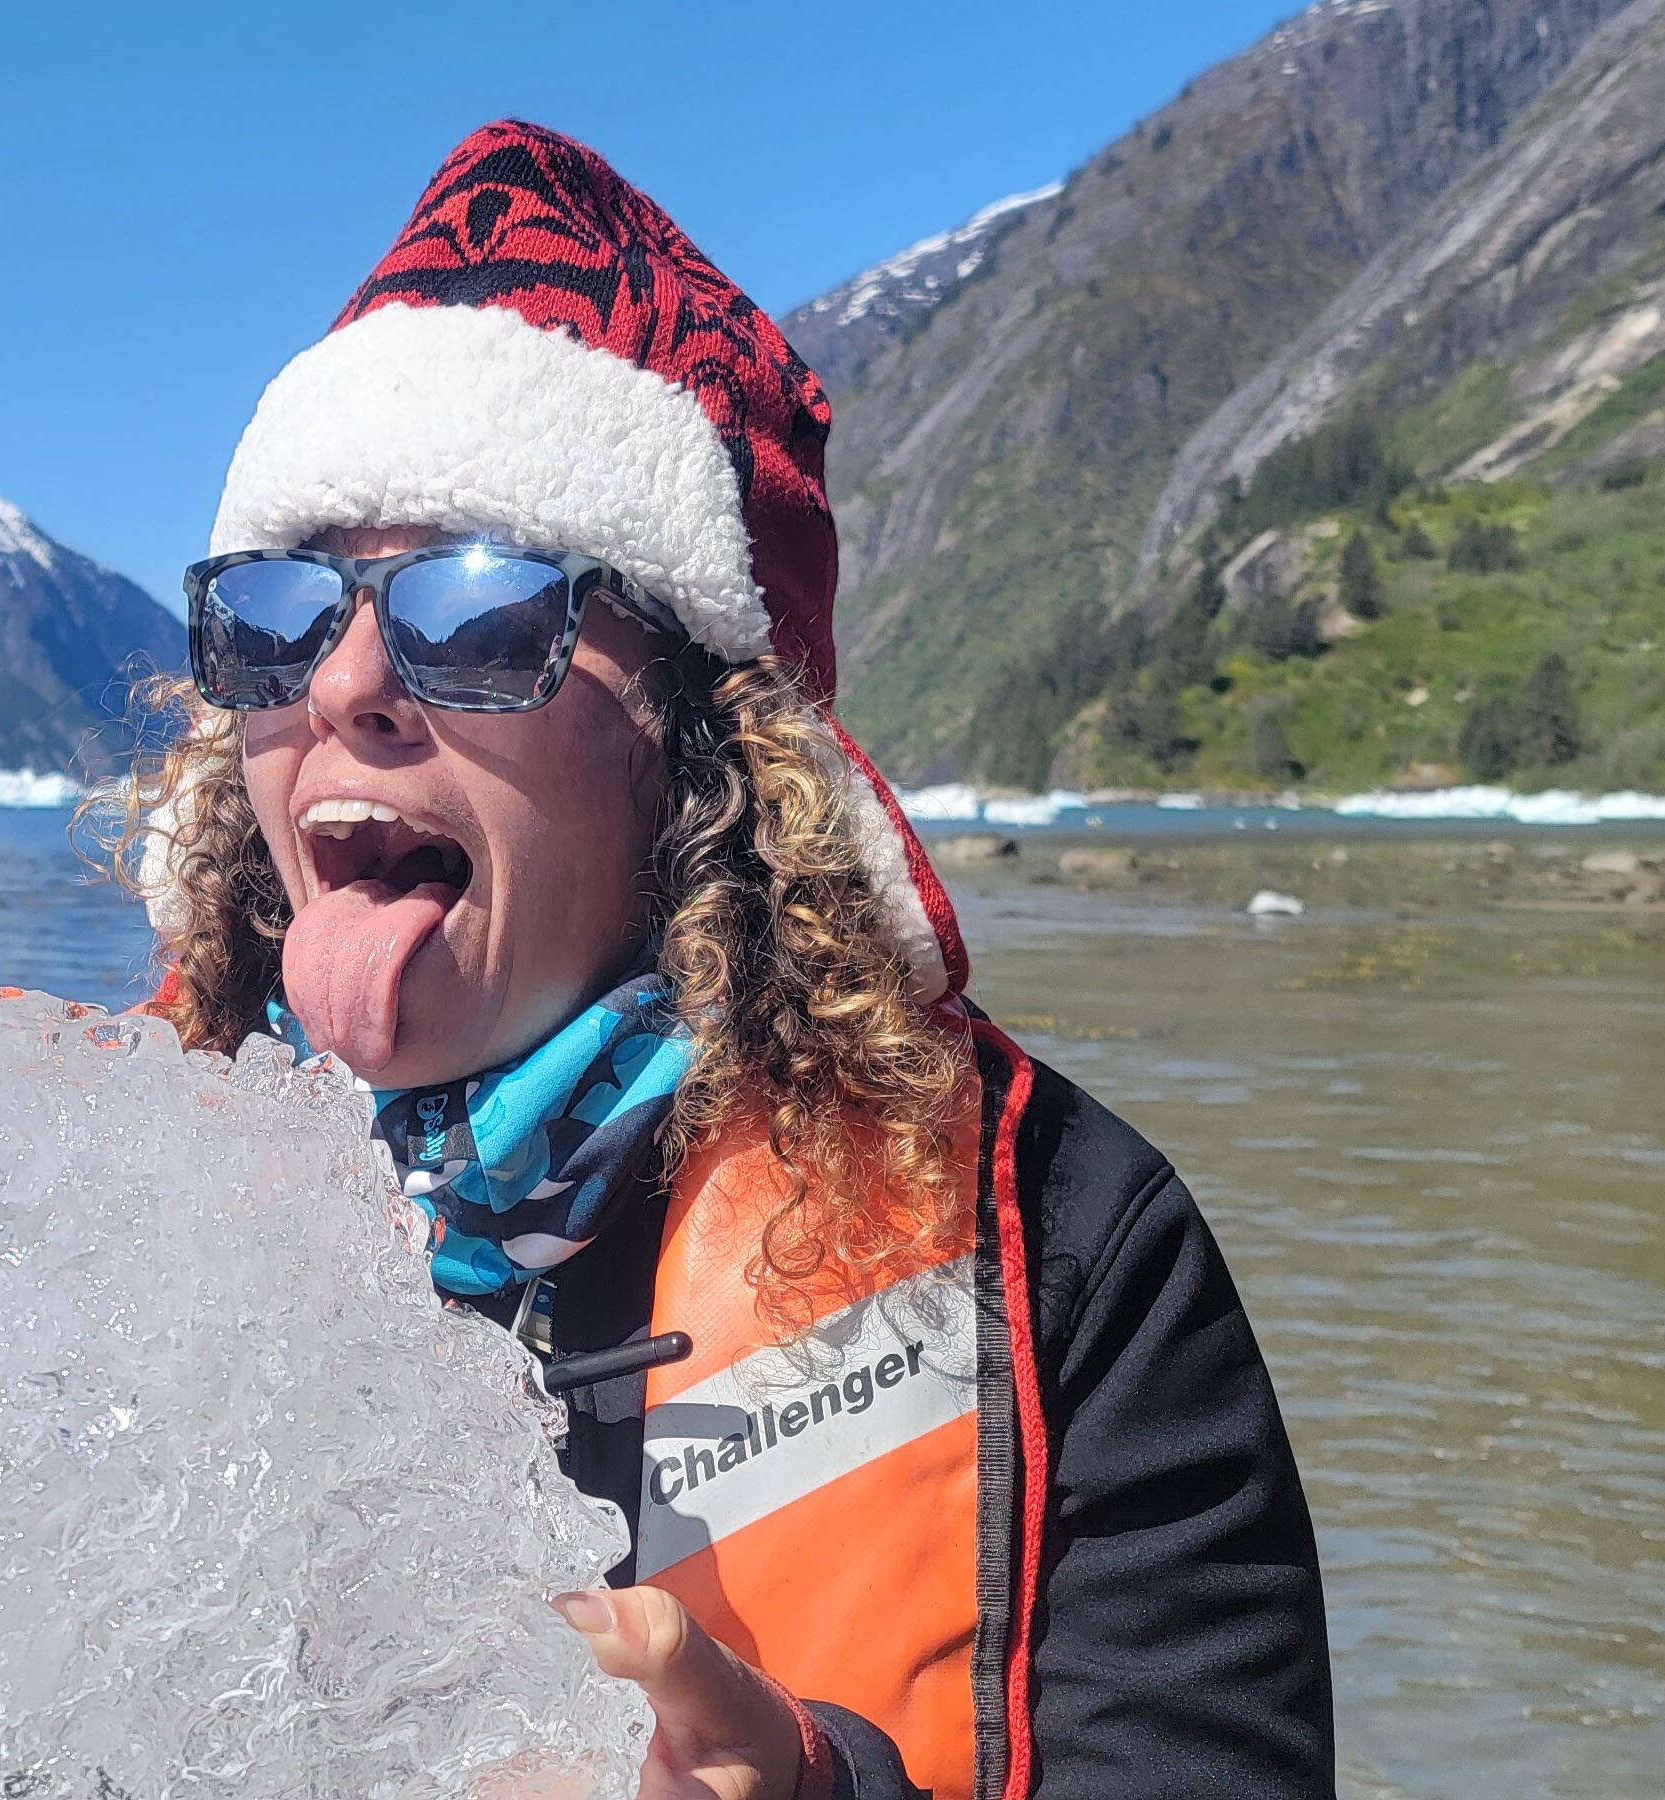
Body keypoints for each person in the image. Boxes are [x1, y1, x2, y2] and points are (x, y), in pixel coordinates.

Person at [117, 123, 1333, 1799]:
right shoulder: (79, 1196)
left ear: (704, 744)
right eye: (277, 614)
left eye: (476, 612)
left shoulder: (1064, 1244)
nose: (343, 686)